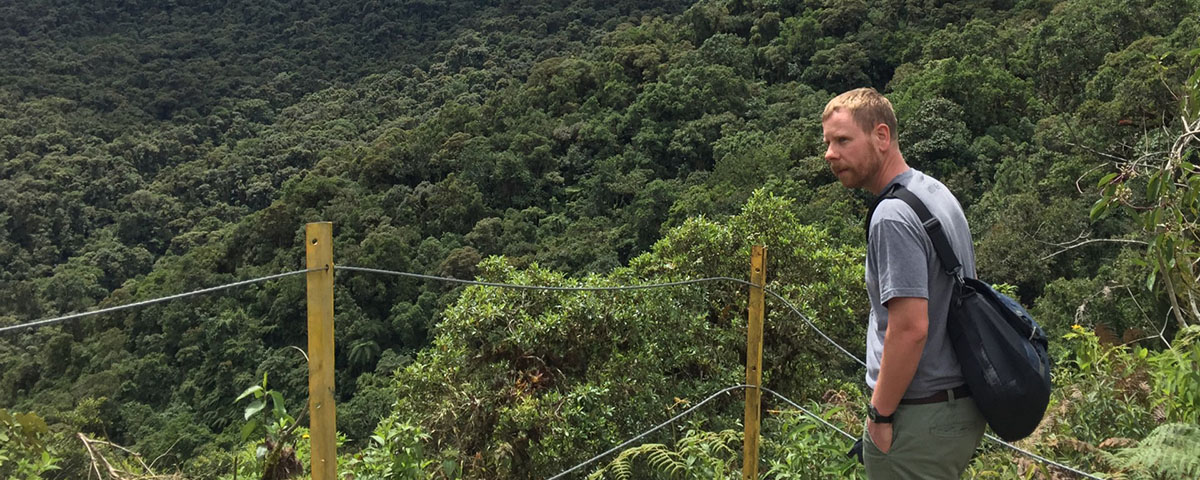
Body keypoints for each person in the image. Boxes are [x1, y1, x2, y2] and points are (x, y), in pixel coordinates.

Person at [821, 87, 985, 479]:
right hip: (954, 403)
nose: (829, 154)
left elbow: (910, 329)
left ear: (881, 136)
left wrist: (879, 415)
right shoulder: (931, 191)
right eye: (827, 143)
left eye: (843, 140)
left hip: (919, 412)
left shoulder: (892, 216)